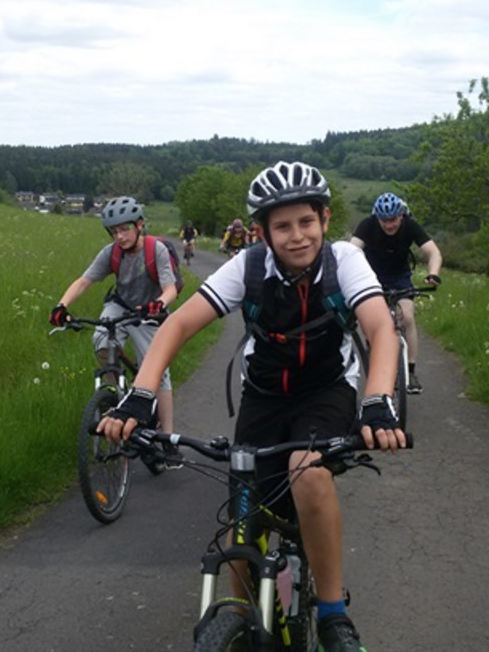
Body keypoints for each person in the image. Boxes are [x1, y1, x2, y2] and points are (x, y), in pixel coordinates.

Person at [101, 162, 406, 652]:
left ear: (324, 220)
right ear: (262, 232)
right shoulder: (247, 267)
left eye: (306, 222)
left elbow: (378, 327)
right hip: (264, 394)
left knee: (306, 471)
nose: (297, 236)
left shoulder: (345, 261)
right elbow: (177, 326)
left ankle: (332, 616)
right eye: (281, 226)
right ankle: (242, 622)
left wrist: (376, 402)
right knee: (241, 510)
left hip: (327, 390)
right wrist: (138, 396)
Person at [50, 196, 177, 451]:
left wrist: (159, 304)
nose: (119, 236)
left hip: (149, 311)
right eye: (114, 231)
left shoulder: (156, 250)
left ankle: (168, 439)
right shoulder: (111, 253)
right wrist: (61, 306)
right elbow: (84, 281)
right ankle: (117, 395)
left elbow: (170, 288)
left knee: (159, 372)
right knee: (100, 339)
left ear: (139, 224)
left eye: (124, 229)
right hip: (120, 305)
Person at [349, 192, 443, 394]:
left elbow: (433, 252)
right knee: (371, 325)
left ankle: (410, 371)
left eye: (393, 219)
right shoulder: (368, 225)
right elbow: (351, 251)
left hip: (399, 277)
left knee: (407, 317)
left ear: (401, 215)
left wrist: (433, 274)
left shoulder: (410, 226)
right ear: (377, 218)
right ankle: (377, 366)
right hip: (371, 277)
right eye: (384, 220)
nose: (389, 225)